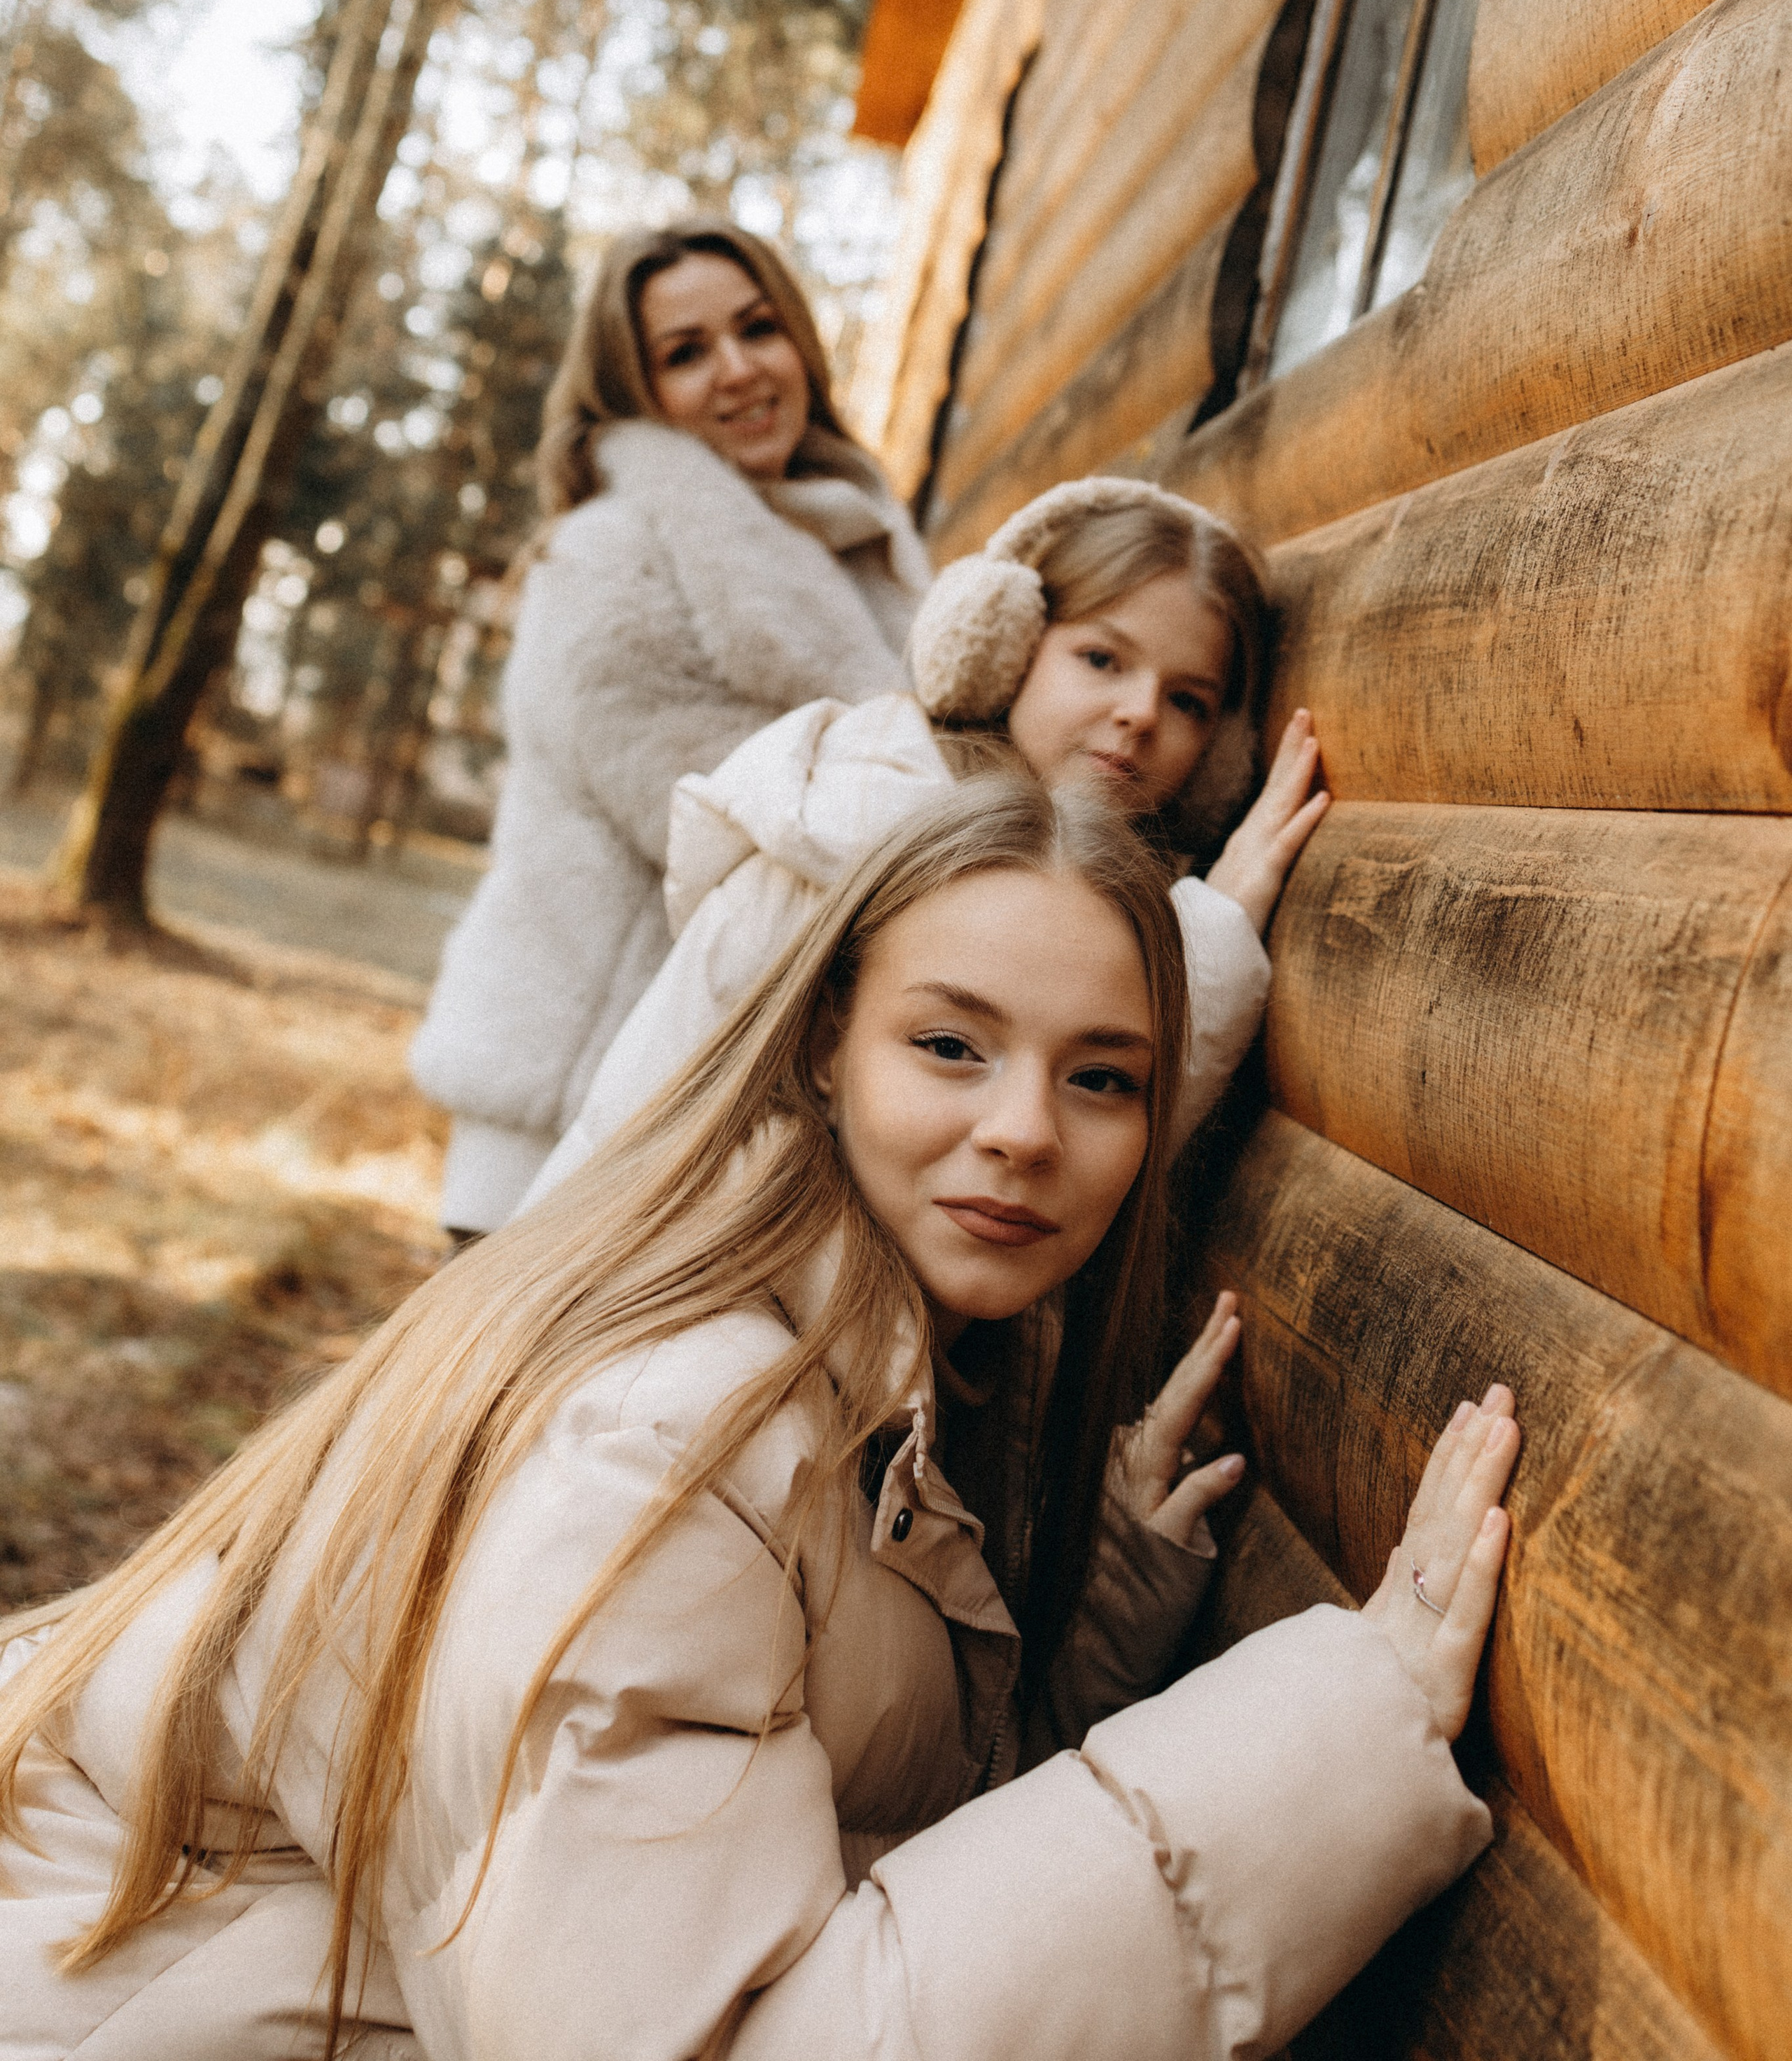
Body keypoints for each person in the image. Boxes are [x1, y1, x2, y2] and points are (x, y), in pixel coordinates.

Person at [0, 777, 1516, 2060]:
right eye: (948, 1046)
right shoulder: (670, 1446)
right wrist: (1340, 1720)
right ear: (821, 1049)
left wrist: (1100, 1630)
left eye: (1103, 1077)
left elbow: (805, 1841)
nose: (1022, 1131)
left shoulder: (854, 1357)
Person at [519, 473, 1328, 1211]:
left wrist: (1215, 923)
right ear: (1000, 648)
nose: (1141, 713)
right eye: (1100, 658)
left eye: (1188, 700)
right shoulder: (850, 829)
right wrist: (1214, 937)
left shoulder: (1074, 880)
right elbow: (676, 1129)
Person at [410, 216, 930, 1238]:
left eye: (757, 329)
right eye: (686, 355)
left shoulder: (850, 540)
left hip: (721, 1133)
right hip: (572, 1128)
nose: (738, 370)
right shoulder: (605, 560)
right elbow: (737, 819)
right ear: (634, 391)